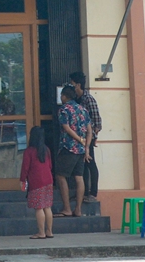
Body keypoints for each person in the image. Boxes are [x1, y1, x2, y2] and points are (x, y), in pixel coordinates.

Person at [54, 85, 91, 218]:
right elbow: (89, 130)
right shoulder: (83, 109)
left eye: (61, 96)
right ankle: (78, 209)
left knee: (60, 176)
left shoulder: (64, 109)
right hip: (81, 150)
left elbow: (66, 128)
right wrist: (86, 147)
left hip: (68, 147)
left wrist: (79, 139)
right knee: (79, 178)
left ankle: (67, 208)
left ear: (64, 96)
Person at [69, 72, 101, 203]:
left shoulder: (88, 99)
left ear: (78, 85)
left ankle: (93, 192)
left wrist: (93, 137)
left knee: (90, 163)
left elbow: (97, 121)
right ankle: (84, 192)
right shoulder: (77, 99)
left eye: (72, 83)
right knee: (82, 165)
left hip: (87, 137)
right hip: (78, 137)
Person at [19, 126, 54, 239]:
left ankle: (41, 232)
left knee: (39, 207)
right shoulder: (46, 150)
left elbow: (25, 168)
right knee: (47, 207)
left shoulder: (29, 151)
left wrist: (22, 180)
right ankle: (49, 232)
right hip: (48, 181)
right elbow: (50, 166)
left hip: (36, 182)